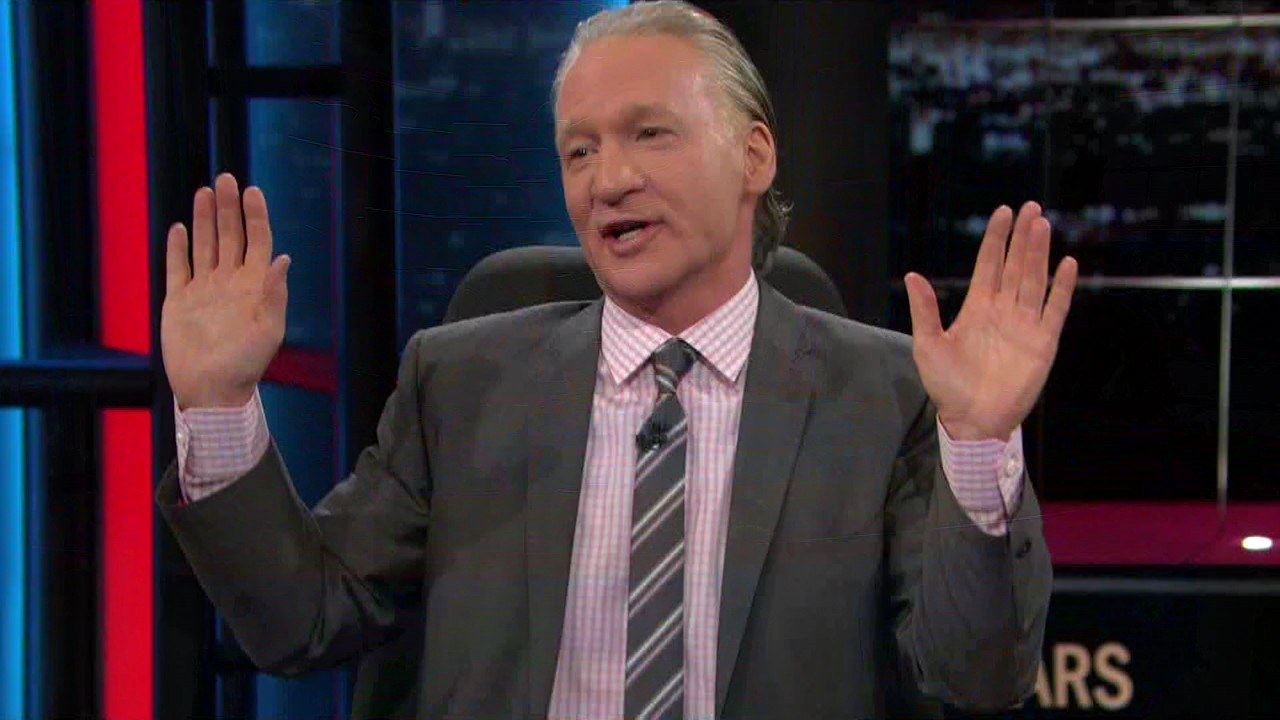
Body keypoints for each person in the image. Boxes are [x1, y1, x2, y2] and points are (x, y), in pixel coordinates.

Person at [157, 2, 1077, 719]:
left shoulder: (884, 396)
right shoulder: (459, 383)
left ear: (754, 155)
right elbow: (303, 620)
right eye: (579, 150)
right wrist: (217, 407)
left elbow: (975, 673)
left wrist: (978, 444)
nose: (608, 179)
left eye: (649, 134)